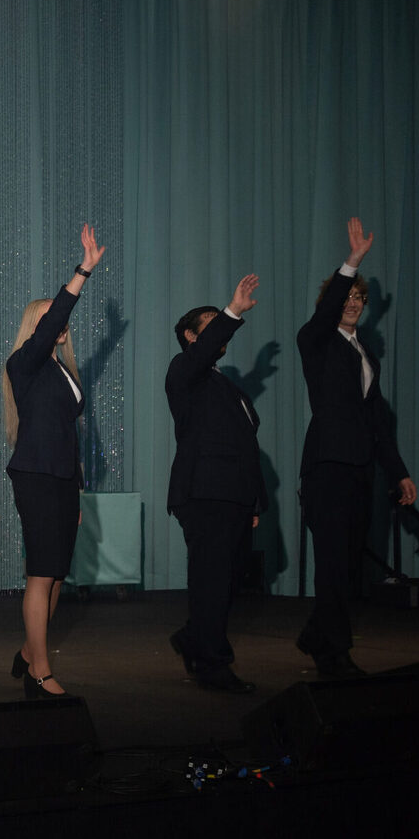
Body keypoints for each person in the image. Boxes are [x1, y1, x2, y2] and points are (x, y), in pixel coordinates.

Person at [296, 218, 416, 678]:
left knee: (347, 564)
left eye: (358, 298)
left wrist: (399, 471)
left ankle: (316, 634)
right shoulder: (316, 341)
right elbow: (326, 313)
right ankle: (334, 654)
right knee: (331, 562)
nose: (352, 303)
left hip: (360, 470)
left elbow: (378, 422)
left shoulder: (367, 356)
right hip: (327, 467)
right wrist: (352, 262)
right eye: (345, 296)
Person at [2, 223, 105, 698]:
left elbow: (69, 436)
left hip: (63, 480)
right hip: (36, 478)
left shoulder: (63, 372)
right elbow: (54, 317)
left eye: (60, 321)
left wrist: (77, 489)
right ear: (35, 327)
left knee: (58, 575)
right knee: (41, 574)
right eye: (49, 319)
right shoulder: (23, 364)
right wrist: (83, 271)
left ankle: (29, 652)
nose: (59, 324)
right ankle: (40, 673)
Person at [164, 273, 266, 694]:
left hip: (234, 496)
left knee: (228, 580)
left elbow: (244, 445)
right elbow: (203, 352)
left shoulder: (226, 385)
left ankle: (194, 638)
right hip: (204, 492)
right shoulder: (184, 371)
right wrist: (233, 311)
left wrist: (254, 502)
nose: (217, 332)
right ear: (191, 337)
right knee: (212, 579)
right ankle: (212, 663)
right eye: (209, 325)